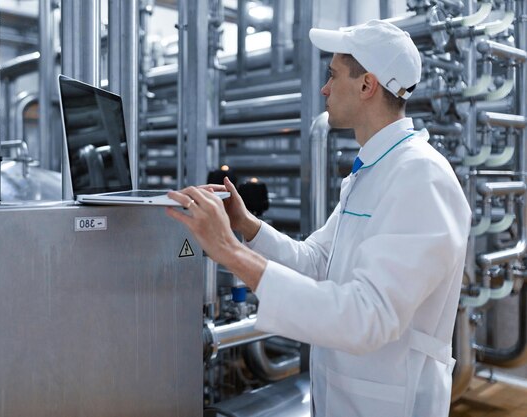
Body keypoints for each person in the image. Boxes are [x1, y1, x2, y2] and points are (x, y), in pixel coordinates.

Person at [166, 19, 471, 417]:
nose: (324, 89)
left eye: (333, 75)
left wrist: (227, 251)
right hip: (347, 398)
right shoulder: (372, 172)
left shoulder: (420, 177)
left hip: (390, 403)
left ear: (367, 86)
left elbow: (368, 317)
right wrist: (245, 226)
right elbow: (316, 263)